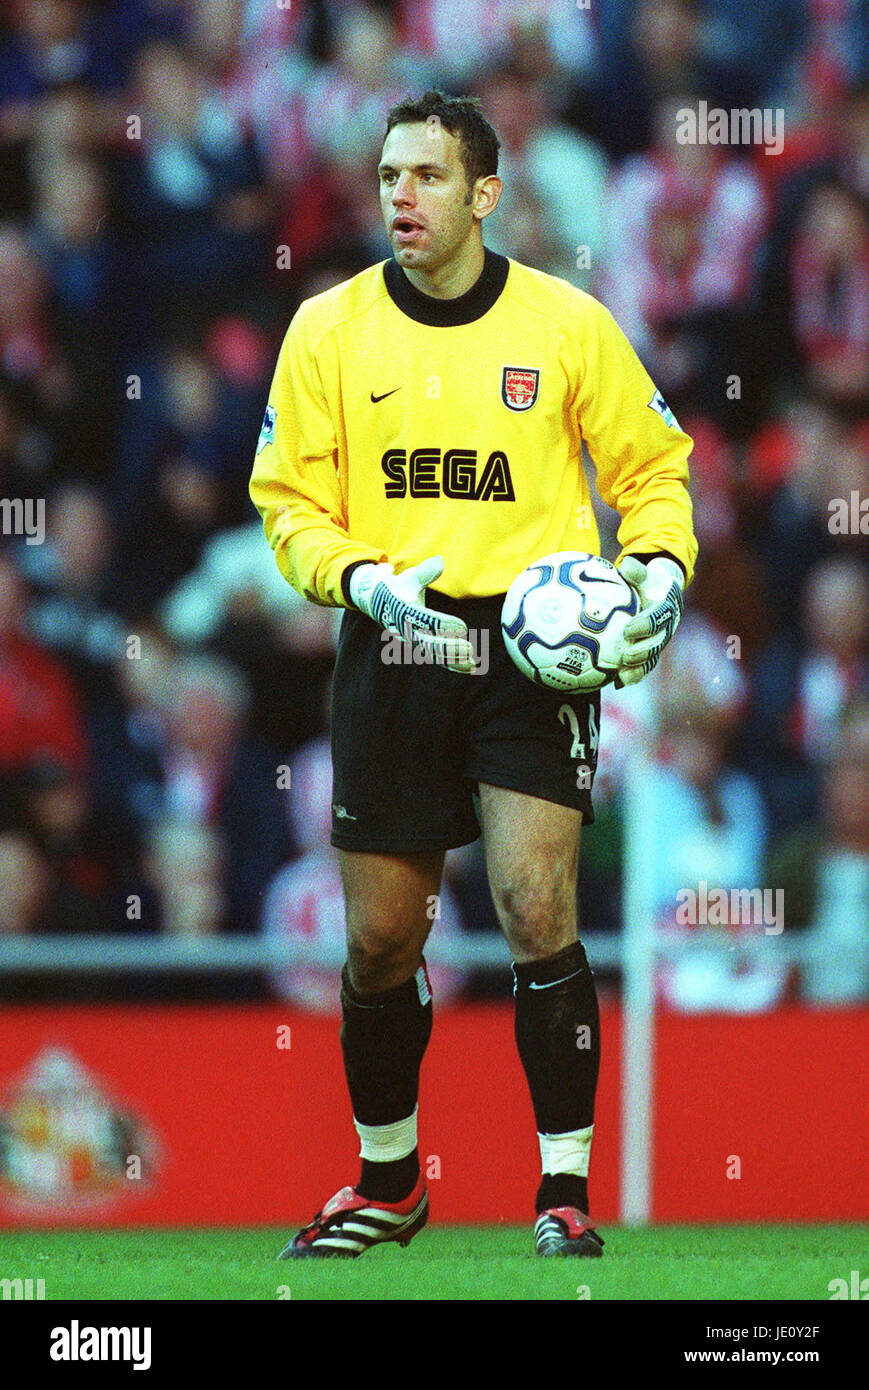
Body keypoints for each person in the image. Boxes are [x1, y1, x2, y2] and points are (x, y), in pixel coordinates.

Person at [250, 90, 697, 1260]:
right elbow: (287, 506)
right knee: (381, 941)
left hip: (531, 646)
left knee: (533, 902)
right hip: (392, 635)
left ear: (484, 196)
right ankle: (390, 1184)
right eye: (389, 174)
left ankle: (562, 1192)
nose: (400, 194)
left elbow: (654, 470)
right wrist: (356, 580)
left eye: (429, 176)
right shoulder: (327, 332)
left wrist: (653, 575)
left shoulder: (564, 325)